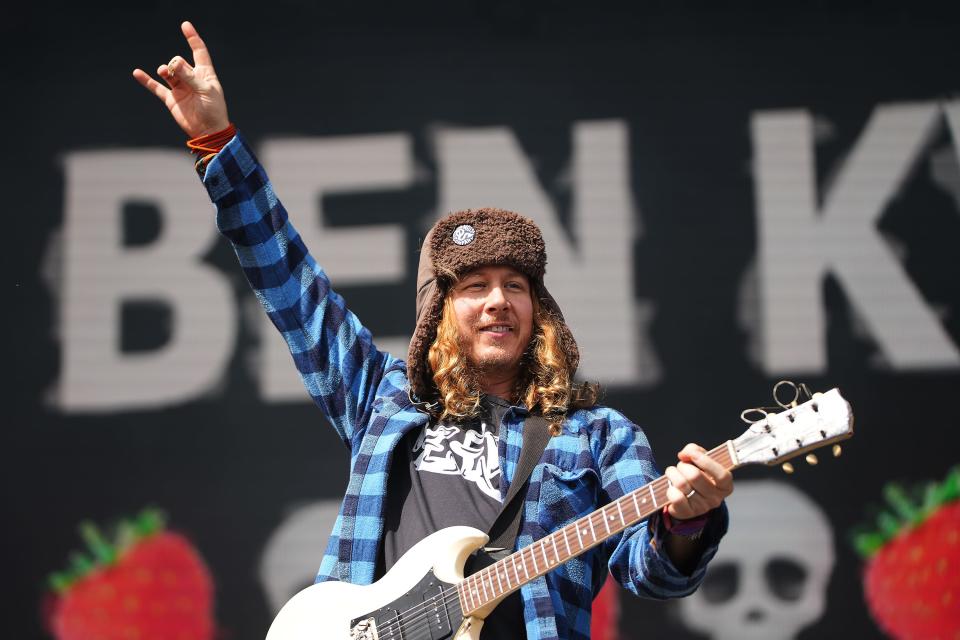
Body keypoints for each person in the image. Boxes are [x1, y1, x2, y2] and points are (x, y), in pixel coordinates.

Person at [133, 21, 733, 640]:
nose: (498, 302)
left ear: (540, 310)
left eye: (516, 286)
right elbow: (290, 284)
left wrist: (686, 523)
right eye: (474, 288)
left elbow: (653, 574)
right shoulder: (383, 396)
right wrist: (216, 142)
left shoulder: (598, 437)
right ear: (438, 314)